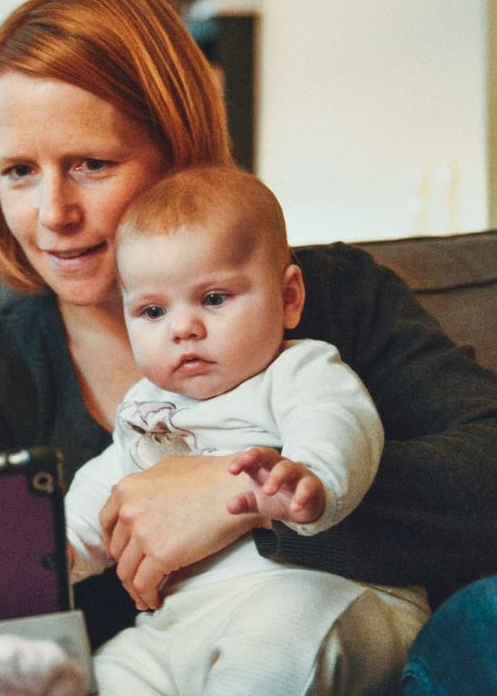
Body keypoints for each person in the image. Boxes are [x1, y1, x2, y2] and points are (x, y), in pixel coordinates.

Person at [0, 0, 497, 689]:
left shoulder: (333, 298)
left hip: (376, 657)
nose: (54, 213)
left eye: (92, 163)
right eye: (19, 172)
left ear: (177, 149)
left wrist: (237, 496)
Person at [55, 164, 427, 692]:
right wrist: (58, 548)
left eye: (214, 299)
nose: (184, 328)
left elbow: (339, 423)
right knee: (115, 669)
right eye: (153, 310)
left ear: (289, 298)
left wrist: (309, 479)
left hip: (322, 596)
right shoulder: (145, 407)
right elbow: (108, 487)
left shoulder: (299, 371)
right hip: (185, 620)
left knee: (273, 648)